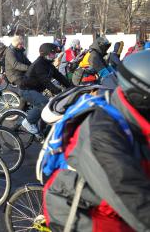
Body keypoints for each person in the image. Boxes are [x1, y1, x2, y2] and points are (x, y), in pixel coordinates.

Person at [43, 50, 150, 232]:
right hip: (84, 214)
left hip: (111, 204)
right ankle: (30, 125)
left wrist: (65, 84)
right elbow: (132, 196)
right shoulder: (101, 134)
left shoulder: (132, 117)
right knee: (35, 108)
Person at [20, 43, 71, 134]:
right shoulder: (39, 64)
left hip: (36, 90)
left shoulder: (48, 64)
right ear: (45, 54)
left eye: (55, 53)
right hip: (27, 90)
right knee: (44, 103)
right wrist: (58, 91)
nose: (54, 55)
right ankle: (27, 122)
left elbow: (59, 76)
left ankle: (41, 128)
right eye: (52, 53)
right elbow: (45, 81)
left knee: (49, 104)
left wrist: (72, 87)